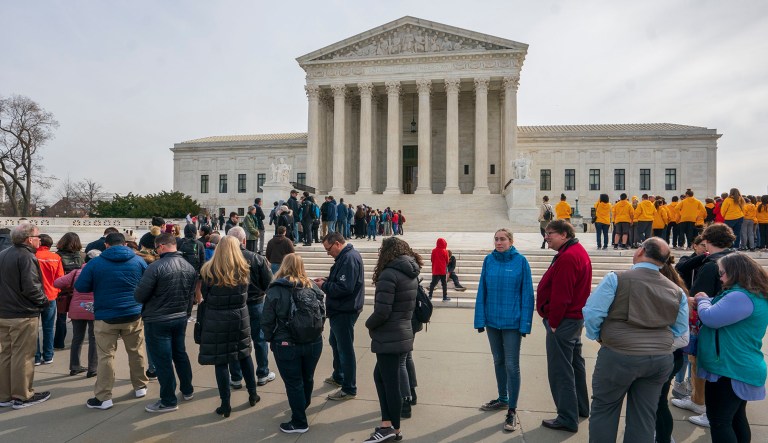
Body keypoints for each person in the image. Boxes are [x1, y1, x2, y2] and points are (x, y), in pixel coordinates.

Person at [582, 237, 689, 442]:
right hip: (659, 359)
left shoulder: (617, 278)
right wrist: (660, 344)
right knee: (644, 415)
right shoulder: (676, 291)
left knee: (605, 409)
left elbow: (593, 313)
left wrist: (599, 337)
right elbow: (681, 330)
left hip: (619, 354)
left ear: (640, 251)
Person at [693, 252, 768, 442]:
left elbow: (710, 318)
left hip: (730, 367)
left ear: (735, 272)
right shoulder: (752, 295)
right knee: (735, 418)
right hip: (738, 365)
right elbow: (721, 309)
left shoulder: (740, 296)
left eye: (722, 273)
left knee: (719, 421)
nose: (720, 277)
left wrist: (702, 299)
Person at [75, 232, 150, 410]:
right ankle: (140, 386)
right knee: (136, 351)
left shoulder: (95, 263)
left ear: (106, 245)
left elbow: (81, 286)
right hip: (133, 313)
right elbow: (147, 284)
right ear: (125, 244)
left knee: (106, 356)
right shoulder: (138, 261)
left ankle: (104, 396)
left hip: (106, 315)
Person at [672, 223, 737, 428]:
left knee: (704, 366)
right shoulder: (735, 260)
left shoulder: (711, 267)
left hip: (709, 324)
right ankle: (700, 402)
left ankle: (708, 410)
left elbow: (697, 298)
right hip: (730, 323)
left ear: (707, 240)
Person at [474, 228, 534, 432]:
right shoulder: (488, 261)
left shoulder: (521, 261)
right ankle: (502, 398)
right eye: (496, 239)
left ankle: (512, 410)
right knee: (498, 360)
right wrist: (479, 319)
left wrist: (525, 324)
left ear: (511, 241)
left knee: (511, 364)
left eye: (503, 239)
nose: (499, 242)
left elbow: (527, 294)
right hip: (492, 321)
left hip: (512, 323)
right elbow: (482, 289)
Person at [362, 237, 420, 442]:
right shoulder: (409, 272)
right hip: (403, 331)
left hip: (390, 335)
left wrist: (368, 324)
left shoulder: (389, 274)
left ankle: (391, 428)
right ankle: (388, 424)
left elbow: (382, 312)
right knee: (381, 377)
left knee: (390, 383)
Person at [536, 220, 592, 433]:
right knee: (575, 364)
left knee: (561, 370)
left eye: (550, 233)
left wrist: (554, 323)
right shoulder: (575, 251)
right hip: (573, 319)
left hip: (564, 322)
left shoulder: (569, 257)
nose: (546, 237)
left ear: (564, 234)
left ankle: (567, 417)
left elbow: (562, 295)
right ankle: (580, 408)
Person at [261, 253, 325, 434]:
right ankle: (302, 407)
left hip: (286, 342)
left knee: (294, 382)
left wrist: (269, 339)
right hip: (313, 341)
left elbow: (266, 319)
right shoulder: (313, 286)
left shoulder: (276, 289)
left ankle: (299, 421)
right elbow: (322, 313)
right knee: (307, 377)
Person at [197, 236, 260, 418]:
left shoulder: (209, 270)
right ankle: (252, 394)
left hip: (216, 318)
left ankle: (225, 404)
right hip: (240, 316)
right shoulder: (243, 269)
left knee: (221, 361)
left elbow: (206, 296)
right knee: (244, 355)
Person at [134, 233, 197, 413]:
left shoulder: (155, 267)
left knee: (163, 360)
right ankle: (187, 389)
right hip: (179, 317)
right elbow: (190, 297)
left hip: (158, 319)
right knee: (180, 354)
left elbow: (140, 296)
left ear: (161, 247)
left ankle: (168, 399)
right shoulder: (189, 267)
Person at [0, 223, 51, 409]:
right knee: (23, 356)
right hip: (22, 313)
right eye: (38, 237)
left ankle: (4, 395)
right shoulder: (26, 256)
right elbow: (31, 287)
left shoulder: (3, 254)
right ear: (29, 239)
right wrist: (44, 301)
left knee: (6, 354)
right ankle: (22, 395)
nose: (40, 239)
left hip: (4, 312)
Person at [315, 232, 365, 401]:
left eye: (329, 249)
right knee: (335, 343)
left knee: (345, 349)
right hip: (341, 309)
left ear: (337, 244)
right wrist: (327, 280)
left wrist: (325, 286)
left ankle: (349, 388)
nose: (328, 253)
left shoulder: (349, 258)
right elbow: (343, 281)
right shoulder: (346, 257)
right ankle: (339, 376)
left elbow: (345, 287)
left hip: (345, 310)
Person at [226, 227, 276, 390]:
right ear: (244, 240)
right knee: (259, 338)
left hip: (231, 305)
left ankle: (236, 376)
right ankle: (262, 373)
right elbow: (269, 284)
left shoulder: (223, 259)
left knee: (234, 341)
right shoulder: (255, 258)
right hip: (255, 303)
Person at [54, 253, 96, 378]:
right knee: (94, 338)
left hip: (77, 308)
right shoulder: (100, 272)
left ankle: (75, 366)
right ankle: (93, 368)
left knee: (77, 338)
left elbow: (57, 283)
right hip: (93, 308)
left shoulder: (76, 272)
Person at [34, 234, 64, 366]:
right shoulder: (56, 258)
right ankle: (48, 355)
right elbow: (60, 278)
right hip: (51, 296)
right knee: (48, 327)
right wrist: (56, 291)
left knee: (34, 328)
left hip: (34, 296)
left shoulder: (33, 257)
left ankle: (35, 357)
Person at [53, 232, 85, 349]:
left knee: (61, 317)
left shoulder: (57, 256)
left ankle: (59, 342)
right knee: (78, 317)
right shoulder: (82, 255)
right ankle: (77, 342)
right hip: (78, 289)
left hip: (62, 290)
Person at [428, 238, 450, 302]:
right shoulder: (445, 251)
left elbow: (432, 259)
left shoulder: (434, 250)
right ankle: (444, 297)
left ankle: (430, 296)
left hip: (435, 269)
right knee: (444, 284)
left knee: (433, 283)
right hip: (442, 270)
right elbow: (447, 261)